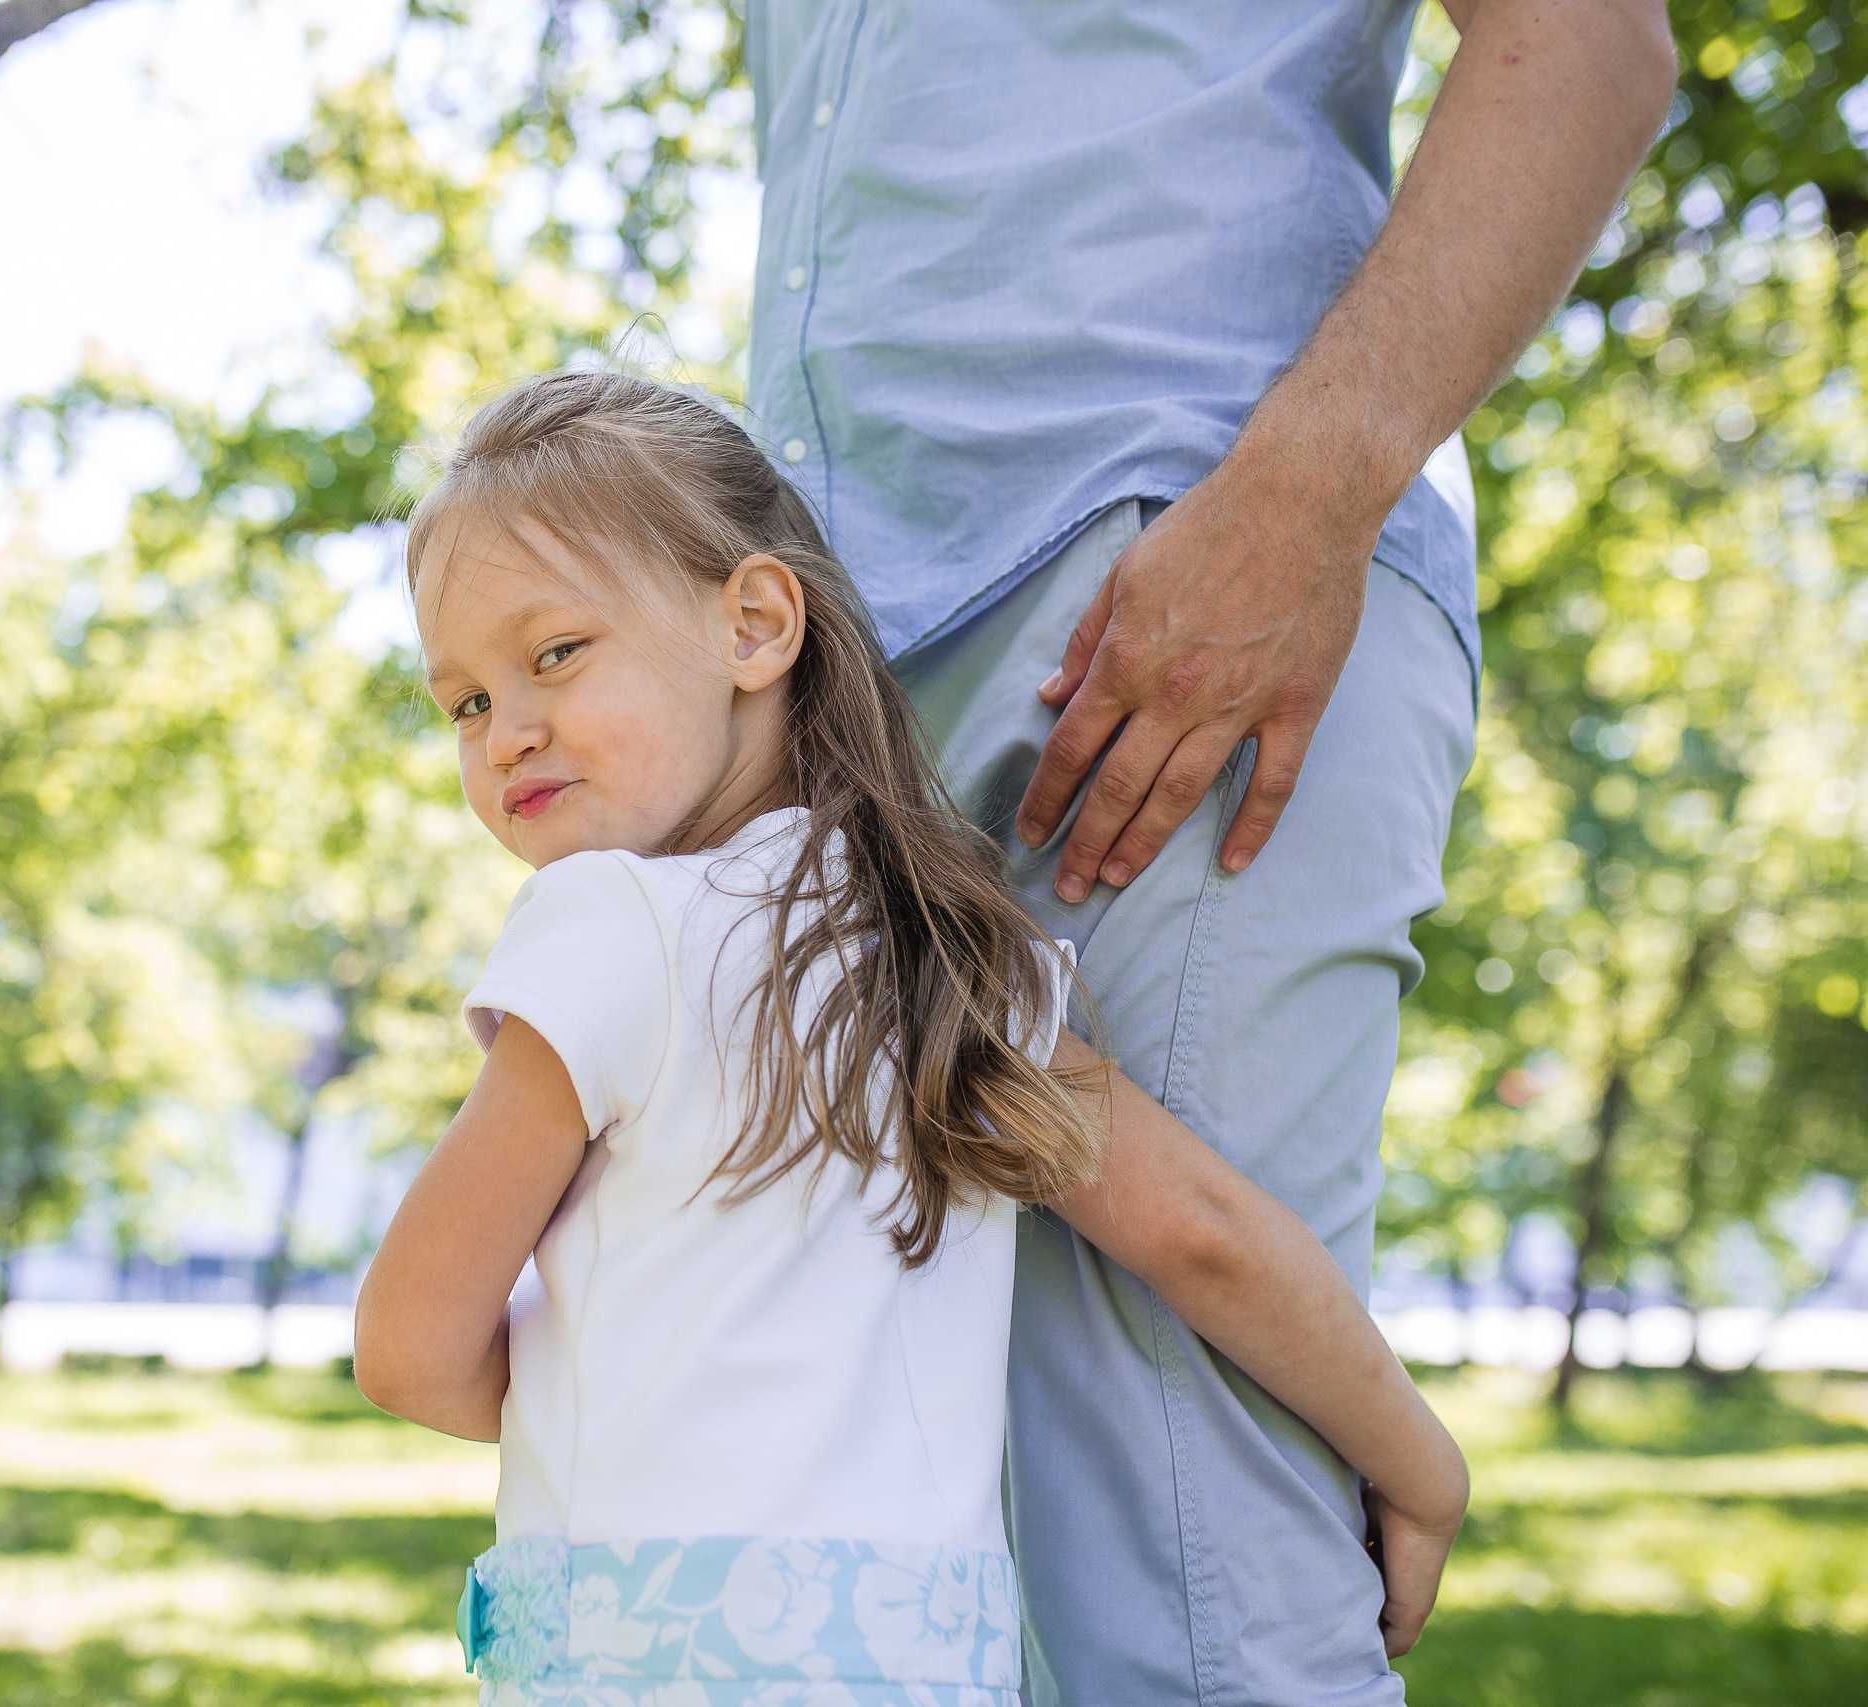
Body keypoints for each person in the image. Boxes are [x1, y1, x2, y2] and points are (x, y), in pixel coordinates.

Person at [744, 4, 1677, 1699]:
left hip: (1166, 594)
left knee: (1186, 1592)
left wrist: (1303, 497)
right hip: (843, 665)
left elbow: (1592, 42)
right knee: (943, 1588)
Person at [352, 370, 1467, 1705]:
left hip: (643, 1658)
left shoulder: (604, 925)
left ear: (758, 623)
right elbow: (1204, 1236)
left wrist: (612, 1408)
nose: (506, 733)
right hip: (915, 1662)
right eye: (465, 702)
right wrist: (1418, 1461)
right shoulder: (954, 959)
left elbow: (410, 1347)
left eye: (553, 655)